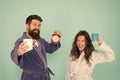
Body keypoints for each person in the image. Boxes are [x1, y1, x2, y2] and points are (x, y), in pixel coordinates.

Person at [11, 14, 62, 80]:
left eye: (39, 25)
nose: (37, 27)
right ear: (27, 26)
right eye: (34, 25)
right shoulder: (21, 41)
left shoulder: (40, 40)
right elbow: (15, 53)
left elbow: (50, 49)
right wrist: (19, 52)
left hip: (44, 76)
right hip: (30, 77)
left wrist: (56, 38)